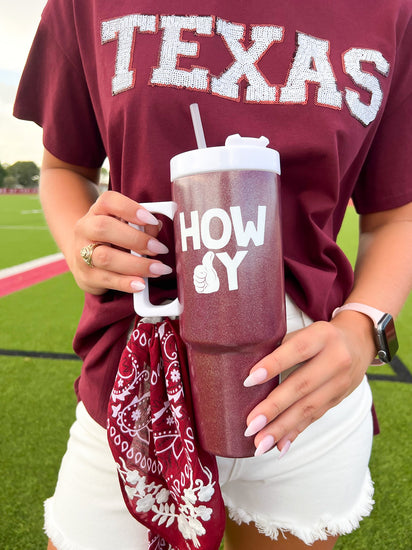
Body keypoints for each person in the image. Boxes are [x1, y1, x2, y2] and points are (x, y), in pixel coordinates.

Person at [14, 0, 412, 549]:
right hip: (139, 363)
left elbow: (396, 213)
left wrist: (365, 328)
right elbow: (65, 167)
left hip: (307, 375)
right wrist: (83, 245)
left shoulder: (392, 10)